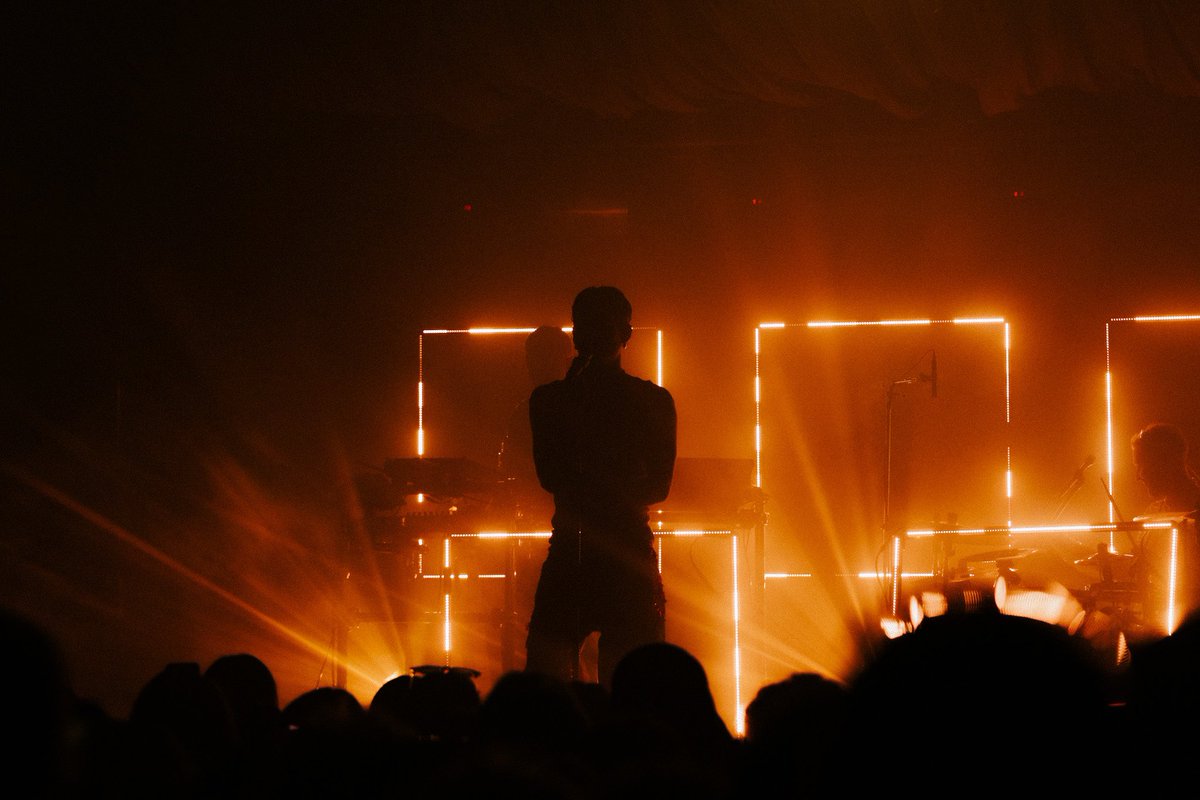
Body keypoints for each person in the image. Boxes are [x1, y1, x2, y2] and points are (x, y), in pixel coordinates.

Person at [523, 286, 677, 687]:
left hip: (581, 549)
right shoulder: (651, 400)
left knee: (549, 684)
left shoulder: (551, 400)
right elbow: (655, 485)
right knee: (630, 686)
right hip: (620, 552)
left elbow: (554, 477)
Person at [1131, 422, 1200, 517]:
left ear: (1165, 461)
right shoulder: (1153, 513)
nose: (1138, 476)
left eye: (1142, 465)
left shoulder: (1154, 514)